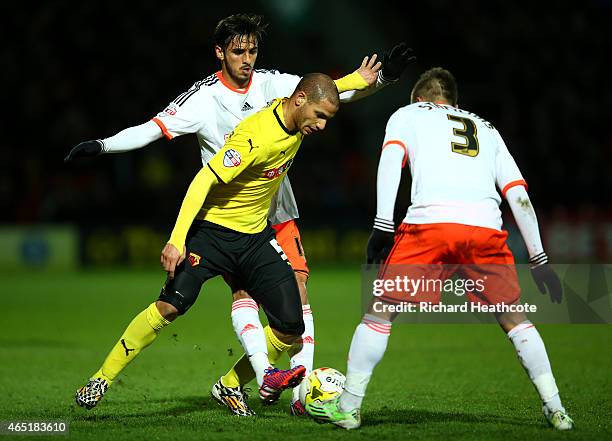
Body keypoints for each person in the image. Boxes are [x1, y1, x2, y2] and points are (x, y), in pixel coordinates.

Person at [66, 13, 415, 416]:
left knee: (295, 304)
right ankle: (106, 378)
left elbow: (328, 92)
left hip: (270, 214)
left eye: (252, 50)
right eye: (238, 51)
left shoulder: (276, 85)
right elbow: (153, 130)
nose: (247, 59)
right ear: (220, 53)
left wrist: (383, 77)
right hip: (216, 218)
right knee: (182, 303)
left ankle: (275, 389)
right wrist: (104, 146)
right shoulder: (203, 99)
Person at [306, 67, 574, 430]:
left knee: (380, 312)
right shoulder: (487, 129)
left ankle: (349, 407)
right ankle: (556, 409)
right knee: (514, 319)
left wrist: (382, 224)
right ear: (454, 103)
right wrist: (539, 259)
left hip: (430, 226)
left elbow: (390, 162)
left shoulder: (408, 114)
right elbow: (518, 195)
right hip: (485, 230)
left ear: (419, 99)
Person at [75, 73, 341, 412]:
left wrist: (372, 79)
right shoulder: (255, 136)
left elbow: (331, 89)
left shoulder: (296, 121)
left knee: (291, 326)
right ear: (299, 100)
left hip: (255, 239)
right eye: (320, 115)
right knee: (171, 306)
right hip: (212, 233)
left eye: (327, 119)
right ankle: (102, 378)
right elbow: (204, 179)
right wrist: (177, 239)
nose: (322, 125)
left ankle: (231, 384)